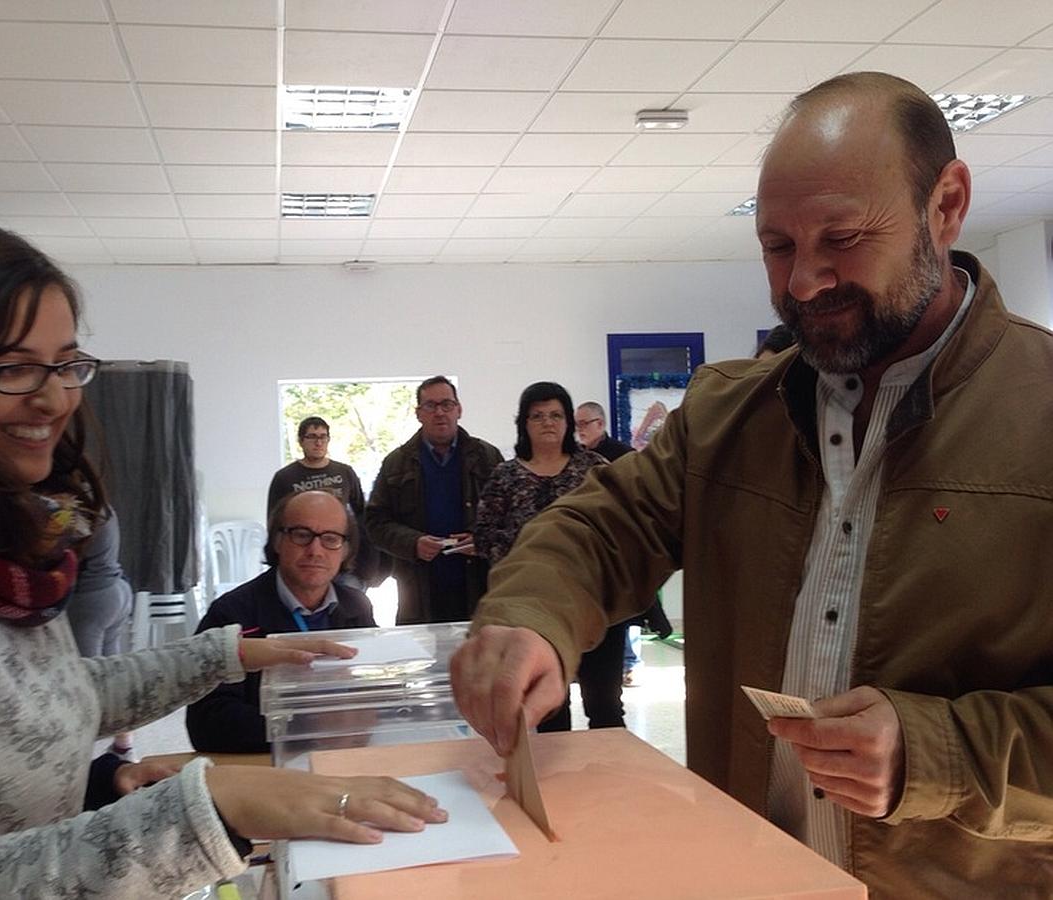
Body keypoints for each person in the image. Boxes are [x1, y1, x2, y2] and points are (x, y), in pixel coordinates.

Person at [449, 71, 1053, 896]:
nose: (802, 283)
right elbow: (599, 528)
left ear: (944, 206)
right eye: (777, 247)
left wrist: (934, 753)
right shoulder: (731, 412)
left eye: (840, 240)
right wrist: (529, 621)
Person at [0, 214, 446, 899]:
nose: (54, 399)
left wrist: (223, 662)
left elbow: (47, 701)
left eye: (66, 364)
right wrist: (216, 805)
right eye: (12, 368)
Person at [187, 491, 377, 753]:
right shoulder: (231, 614)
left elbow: (375, 685)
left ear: (345, 550)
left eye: (331, 539)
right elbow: (206, 723)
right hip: (273, 766)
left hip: (345, 755)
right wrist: (308, 728)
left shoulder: (357, 606)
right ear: (277, 540)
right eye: (301, 535)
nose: (315, 550)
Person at [476, 382, 612, 731]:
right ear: (523, 423)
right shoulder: (505, 476)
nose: (547, 422)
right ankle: (555, 784)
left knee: (605, 704)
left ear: (569, 421)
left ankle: (613, 779)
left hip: (592, 600)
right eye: (537, 416)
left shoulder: (594, 468)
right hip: (532, 606)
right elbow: (485, 535)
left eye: (556, 415)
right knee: (548, 707)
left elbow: (617, 527)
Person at [365, 376, 503, 624]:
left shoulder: (488, 457)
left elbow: (509, 518)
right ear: (418, 413)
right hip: (418, 590)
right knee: (423, 661)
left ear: (459, 410)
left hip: (480, 587)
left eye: (447, 404)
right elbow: (375, 522)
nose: (439, 412)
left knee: (481, 660)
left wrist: (483, 540)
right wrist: (412, 542)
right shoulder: (396, 462)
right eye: (430, 405)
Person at [574, 401, 673, 686]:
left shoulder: (623, 455)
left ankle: (630, 664)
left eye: (585, 423)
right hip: (590, 548)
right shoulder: (576, 459)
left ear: (600, 424)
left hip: (621, 543)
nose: (579, 430)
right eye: (576, 424)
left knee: (629, 607)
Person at [267, 415, 385, 591]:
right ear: (301, 441)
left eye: (323, 437)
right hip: (304, 555)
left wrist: (365, 558)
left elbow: (361, 516)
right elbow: (274, 522)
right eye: (312, 437)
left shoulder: (344, 472)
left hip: (343, 558)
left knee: (349, 606)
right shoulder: (285, 477)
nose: (318, 442)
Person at [65, 505, 136, 757]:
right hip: (117, 589)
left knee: (87, 682)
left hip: (90, 600)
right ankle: (124, 745)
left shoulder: (69, 510)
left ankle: (82, 758)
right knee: (112, 675)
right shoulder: (103, 507)